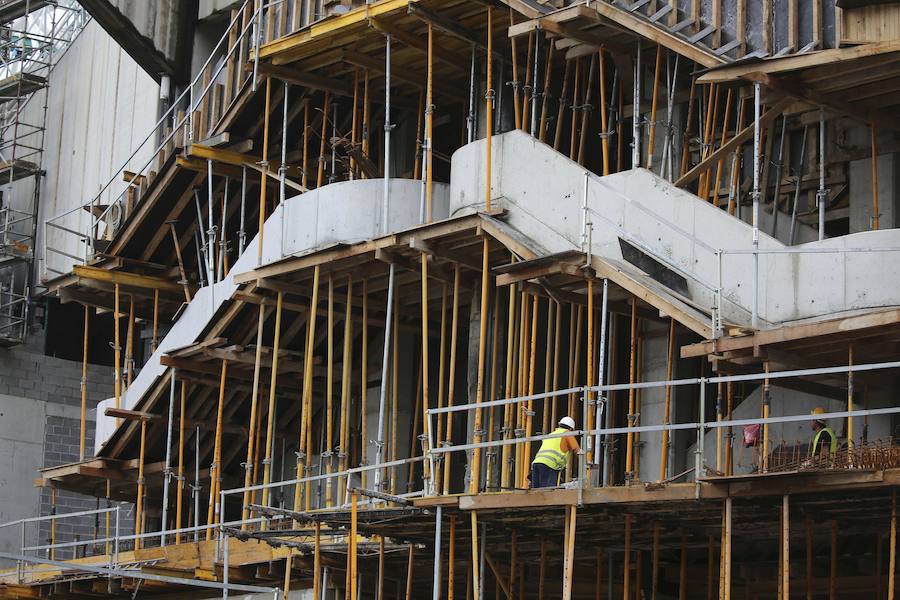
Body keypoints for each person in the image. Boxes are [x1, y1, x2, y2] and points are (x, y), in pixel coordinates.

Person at [530, 416, 581, 488]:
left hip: (536, 464)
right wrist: (585, 465)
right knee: (549, 493)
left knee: (536, 493)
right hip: (549, 466)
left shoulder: (551, 435)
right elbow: (577, 450)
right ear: (571, 429)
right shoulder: (567, 433)